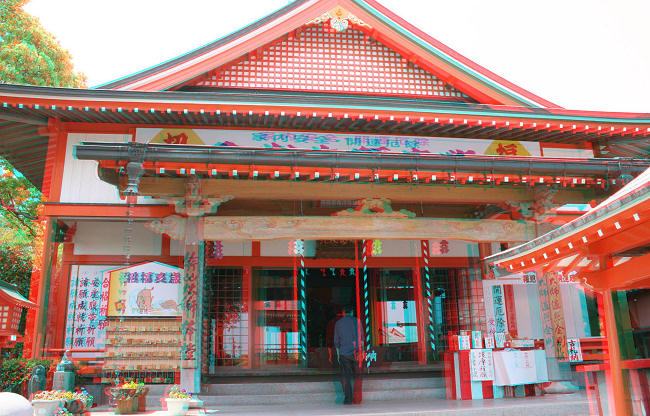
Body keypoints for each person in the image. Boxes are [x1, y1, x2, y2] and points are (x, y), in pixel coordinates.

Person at [334, 305, 362, 404]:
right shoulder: (357, 321)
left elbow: (336, 342)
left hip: (344, 353)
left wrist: (338, 355)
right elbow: (361, 339)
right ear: (352, 312)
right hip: (356, 353)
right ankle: (357, 399)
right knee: (357, 377)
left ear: (343, 313)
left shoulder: (338, 323)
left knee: (346, 377)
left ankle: (348, 399)